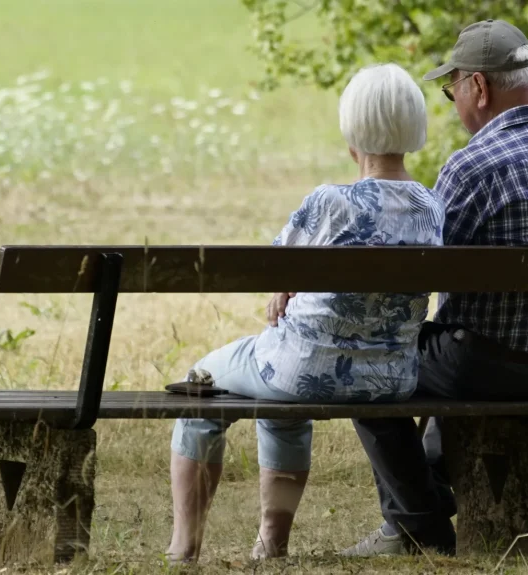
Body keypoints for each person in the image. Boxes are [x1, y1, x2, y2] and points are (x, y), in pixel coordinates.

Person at [341, 19, 528, 556]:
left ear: (478, 87)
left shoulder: (472, 167)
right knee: (452, 342)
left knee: (366, 360)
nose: (455, 105)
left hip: (484, 368)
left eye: (452, 93)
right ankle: (431, 489)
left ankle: (418, 523)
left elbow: (424, 276)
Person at [166, 63, 444, 562]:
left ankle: (183, 548)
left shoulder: (329, 203)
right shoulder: (431, 207)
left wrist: (285, 285)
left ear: (351, 131)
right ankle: (270, 545)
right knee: (279, 401)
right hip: (391, 378)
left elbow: (270, 267)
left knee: (200, 383)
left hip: (302, 370)